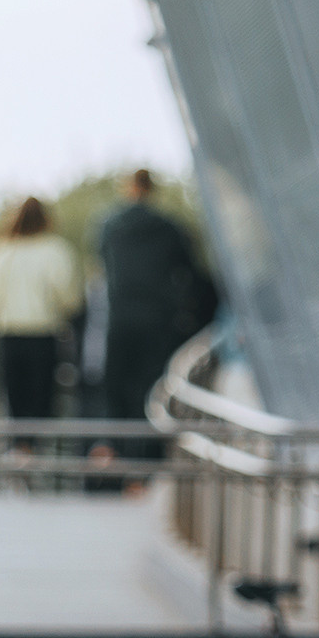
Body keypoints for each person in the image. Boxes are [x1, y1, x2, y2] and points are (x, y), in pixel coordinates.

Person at [92, 169, 220, 475]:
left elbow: (102, 263)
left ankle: (111, 448)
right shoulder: (169, 227)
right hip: (158, 321)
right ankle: (144, 469)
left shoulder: (109, 226)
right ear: (152, 191)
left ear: (127, 188)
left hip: (119, 318)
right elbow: (190, 273)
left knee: (116, 387)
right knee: (151, 391)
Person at [0, 196, 81, 451]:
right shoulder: (56, 251)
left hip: (7, 332)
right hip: (44, 333)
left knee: (13, 398)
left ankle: (19, 450)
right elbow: (70, 298)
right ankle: (33, 451)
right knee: (41, 399)